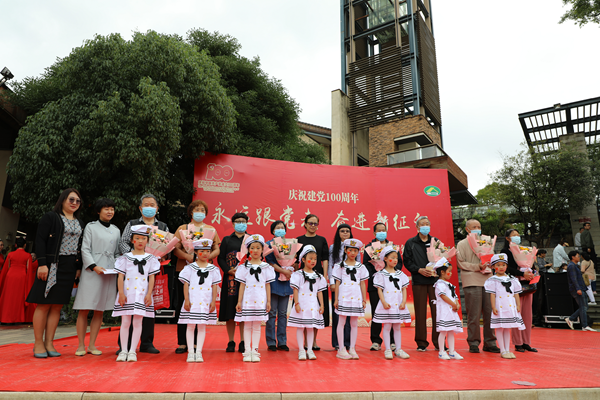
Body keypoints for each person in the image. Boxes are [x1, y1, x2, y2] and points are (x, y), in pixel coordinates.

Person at [26, 188, 84, 358]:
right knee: (43, 304)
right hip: (51, 264)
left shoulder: (80, 223)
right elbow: (40, 240)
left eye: (77, 201)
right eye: (71, 199)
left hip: (69, 267)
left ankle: (49, 343)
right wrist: (42, 264)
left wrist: (78, 267)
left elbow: (80, 247)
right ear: (63, 200)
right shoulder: (51, 217)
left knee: (57, 305)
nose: (74, 203)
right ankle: (38, 343)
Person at [117, 193, 168, 355]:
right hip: (131, 270)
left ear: (157, 208)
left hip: (151, 270)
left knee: (147, 304)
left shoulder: (163, 226)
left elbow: (167, 247)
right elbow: (123, 242)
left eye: (152, 205)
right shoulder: (132, 224)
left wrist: (158, 256)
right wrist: (134, 256)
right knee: (128, 308)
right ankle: (124, 346)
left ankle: (146, 342)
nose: (149, 207)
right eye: (146, 205)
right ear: (140, 208)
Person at [72, 198, 121, 356]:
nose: (110, 212)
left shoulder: (116, 230)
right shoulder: (91, 227)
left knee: (100, 310)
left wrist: (117, 266)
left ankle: (92, 345)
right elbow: (85, 249)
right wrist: (93, 266)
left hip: (109, 271)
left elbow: (117, 252)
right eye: (106, 209)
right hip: (92, 271)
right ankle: (81, 345)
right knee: (85, 308)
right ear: (99, 211)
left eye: (112, 209)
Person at [172, 200, 221, 354]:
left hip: (204, 271)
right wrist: (188, 256)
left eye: (202, 210)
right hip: (184, 270)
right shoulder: (182, 228)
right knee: (183, 304)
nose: (200, 212)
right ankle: (182, 342)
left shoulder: (211, 229)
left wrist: (205, 257)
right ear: (191, 212)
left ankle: (195, 343)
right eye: (196, 209)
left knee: (200, 304)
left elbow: (216, 249)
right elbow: (174, 248)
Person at [113, 225, 161, 362]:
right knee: (125, 322)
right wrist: (121, 293)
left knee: (138, 322)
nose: (140, 241)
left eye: (143, 239)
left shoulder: (151, 259)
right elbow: (120, 276)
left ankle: (133, 351)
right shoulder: (125, 258)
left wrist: (149, 294)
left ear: (147, 241)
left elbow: (151, 278)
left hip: (142, 294)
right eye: (137, 238)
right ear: (131, 240)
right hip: (127, 294)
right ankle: (123, 350)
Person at [456, 219, 499, 354]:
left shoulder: (487, 241)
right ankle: (473, 342)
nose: (477, 229)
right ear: (467, 229)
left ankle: (490, 342)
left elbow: (493, 258)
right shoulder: (462, 244)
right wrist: (477, 266)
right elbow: (460, 263)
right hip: (471, 281)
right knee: (473, 315)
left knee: (490, 313)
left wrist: (491, 263)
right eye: (474, 226)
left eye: (479, 226)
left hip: (488, 280)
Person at [177, 238, 222, 363]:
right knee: (190, 326)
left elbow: (214, 286)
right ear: (196, 252)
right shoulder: (189, 268)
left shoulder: (213, 269)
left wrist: (213, 301)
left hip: (205, 302)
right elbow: (185, 284)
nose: (205, 254)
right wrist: (186, 300)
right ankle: (191, 352)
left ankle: (199, 352)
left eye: (207, 251)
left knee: (202, 327)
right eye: (202, 251)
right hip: (192, 301)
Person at [234, 234, 276, 362]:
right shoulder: (243, 267)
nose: (255, 250)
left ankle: (255, 351)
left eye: (258, 248)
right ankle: (247, 351)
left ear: (262, 250)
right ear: (248, 250)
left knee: (257, 326)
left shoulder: (267, 268)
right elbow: (242, 285)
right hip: (247, 301)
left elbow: (268, 285)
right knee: (247, 326)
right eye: (252, 248)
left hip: (260, 301)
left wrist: (269, 301)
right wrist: (239, 301)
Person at [403, 216, 440, 352]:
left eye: (427, 223)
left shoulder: (435, 241)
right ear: (417, 227)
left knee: (437, 312)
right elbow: (407, 261)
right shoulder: (410, 243)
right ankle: (421, 343)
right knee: (420, 312)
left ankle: (439, 342)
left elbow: (442, 259)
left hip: (434, 281)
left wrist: (435, 270)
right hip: (419, 280)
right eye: (423, 224)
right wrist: (419, 270)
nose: (425, 226)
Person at [372, 246, 411, 360]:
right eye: (392, 258)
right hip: (387, 304)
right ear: (385, 259)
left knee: (397, 327)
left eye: (396, 258)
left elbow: (404, 289)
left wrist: (403, 302)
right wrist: (383, 302)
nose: (395, 260)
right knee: (387, 326)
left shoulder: (401, 274)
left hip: (398, 304)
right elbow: (379, 290)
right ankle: (388, 349)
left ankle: (398, 349)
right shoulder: (381, 274)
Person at [296, 214, 329, 351]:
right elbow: (296, 259)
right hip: (303, 277)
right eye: (310, 223)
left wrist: (324, 276)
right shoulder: (298, 240)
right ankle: (304, 342)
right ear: (305, 224)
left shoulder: (322, 240)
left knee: (316, 310)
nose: (313, 226)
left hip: (318, 277)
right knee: (304, 309)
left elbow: (325, 259)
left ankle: (314, 340)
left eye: (315, 223)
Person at [289, 245, 327, 361]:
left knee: (311, 327)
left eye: (315, 259)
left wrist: (322, 305)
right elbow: (295, 290)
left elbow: (319, 292)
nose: (313, 261)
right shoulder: (298, 275)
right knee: (300, 327)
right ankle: (301, 350)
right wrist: (296, 303)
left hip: (312, 305)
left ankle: (310, 349)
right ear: (303, 260)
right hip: (302, 304)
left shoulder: (318, 276)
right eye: (310, 258)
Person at [484, 253, 526, 359]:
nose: (501, 267)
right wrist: (493, 307)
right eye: (498, 265)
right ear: (493, 267)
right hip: (500, 307)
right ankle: (502, 350)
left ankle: (507, 349)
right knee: (500, 328)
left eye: (503, 265)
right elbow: (492, 295)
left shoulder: (512, 279)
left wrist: (518, 305)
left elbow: (516, 293)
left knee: (507, 328)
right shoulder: (492, 280)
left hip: (510, 307)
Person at [501, 229, 537, 353]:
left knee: (527, 314)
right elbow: (506, 268)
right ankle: (518, 342)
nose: (517, 237)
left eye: (518, 235)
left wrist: (532, 272)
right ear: (507, 238)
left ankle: (526, 342)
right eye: (514, 235)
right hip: (514, 284)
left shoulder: (524, 250)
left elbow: (531, 265)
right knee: (517, 312)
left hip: (527, 284)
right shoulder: (505, 251)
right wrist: (521, 273)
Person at [218, 212, 249, 353]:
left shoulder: (250, 239)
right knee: (229, 311)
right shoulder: (227, 240)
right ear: (233, 224)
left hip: (246, 281)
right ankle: (231, 341)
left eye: (243, 221)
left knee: (243, 311)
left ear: (247, 223)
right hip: (230, 279)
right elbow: (220, 258)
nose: (241, 223)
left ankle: (243, 341)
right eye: (238, 221)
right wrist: (228, 270)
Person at [333, 238, 368, 360]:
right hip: (344, 296)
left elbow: (363, 283)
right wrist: (336, 299)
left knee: (354, 323)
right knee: (341, 322)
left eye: (355, 251)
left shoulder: (361, 267)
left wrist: (364, 300)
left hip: (356, 296)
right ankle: (341, 349)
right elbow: (337, 283)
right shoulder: (339, 266)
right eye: (350, 250)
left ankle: (352, 348)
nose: (353, 253)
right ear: (345, 250)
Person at [363, 222, 396, 351]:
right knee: (376, 312)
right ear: (374, 233)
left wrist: (389, 271)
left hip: (391, 285)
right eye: (379, 230)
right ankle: (376, 340)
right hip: (375, 285)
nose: (382, 232)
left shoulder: (392, 246)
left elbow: (398, 262)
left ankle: (392, 341)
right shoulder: (369, 248)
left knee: (391, 312)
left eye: (384, 230)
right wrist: (377, 272)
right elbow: (366, 264)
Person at [264, 220, 293, 352]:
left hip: (286, 281)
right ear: (273, 231)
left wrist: (291, 267)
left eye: (282, 227)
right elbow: (270, 262)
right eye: (277, 228)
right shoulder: (269, 244)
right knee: (271, 313)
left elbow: (294, 260)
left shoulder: (290, 244)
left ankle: (282, 341)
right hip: (273, 280)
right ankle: (271, 341)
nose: (280, 229)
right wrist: (283, 271)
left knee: (282, 313)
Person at [328, 223, 357, 351]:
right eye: (342, 231)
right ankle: (337, 343)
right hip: (338, 283)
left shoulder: (355, 247)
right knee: (338, 314)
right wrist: (332, 282)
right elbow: (330, 265)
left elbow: (358, 265)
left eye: (347, 231)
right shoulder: (333, 247)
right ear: (338, 233)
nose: (345, 233)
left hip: (351, 284)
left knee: (350, 314)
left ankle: (348, 342)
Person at [432, 258, 463, 360]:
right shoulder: (439, 284)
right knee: (443, 331)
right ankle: (441, 351)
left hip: (451, 311)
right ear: (442, 272)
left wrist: (457, 304)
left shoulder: (449, 284)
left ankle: (452, 351)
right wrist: (453, 304)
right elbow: (443, 296)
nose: (451, 273)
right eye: (449, 271)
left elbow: (454, 296)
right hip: (444, 311)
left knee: (451, 331)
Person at [0, 237, 33, 323]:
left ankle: (5, 318)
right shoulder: (28, 255)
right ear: (25, 245)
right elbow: (29, 270)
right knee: (18, 298)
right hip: (21, 276)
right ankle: (17, 318)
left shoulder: (10, 254)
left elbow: (6, 267)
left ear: (16, 245)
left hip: (10, 276)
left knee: (8, 297)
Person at [565, 251, 596, 332]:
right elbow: (573, 279)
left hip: (580, 288)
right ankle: (584, 325)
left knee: (585, 306)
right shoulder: (572, 266)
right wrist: (578, 288)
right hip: (577, 289)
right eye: (577, 256)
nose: (579, 257)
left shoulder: (574, 265)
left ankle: (571, 319)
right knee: (583, 306)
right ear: (573, 257)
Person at [533, 249, 552, 326]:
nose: (544, 255)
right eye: (543, 253)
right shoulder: (538, 259)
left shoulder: (543, 259)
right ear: (541, 254)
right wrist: (546, 265)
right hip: (541, 275)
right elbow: (540, 267)